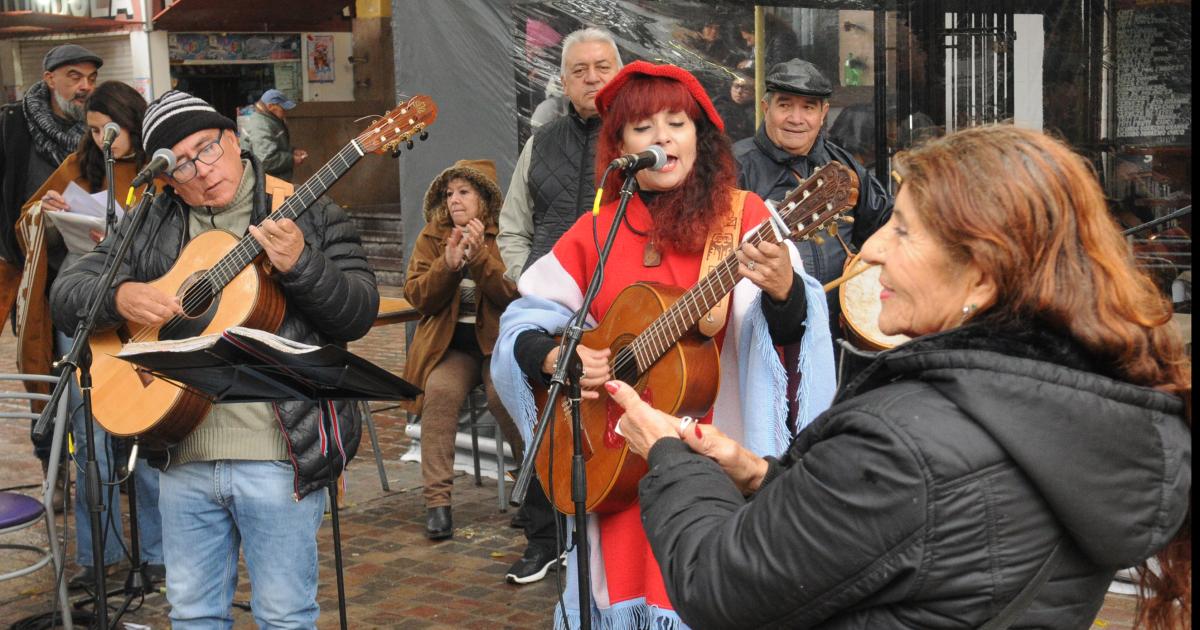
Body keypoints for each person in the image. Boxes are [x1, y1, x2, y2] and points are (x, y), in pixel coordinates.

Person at [608, 125, 1192, 629]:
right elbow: (894, 529)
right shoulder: (1073, 403)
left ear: (982, 276)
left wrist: (669, 456)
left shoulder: (902, 442)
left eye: (905, 229)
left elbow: (717, 586)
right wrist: (761, 474)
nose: (874, 248)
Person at [491, 60, 836, 628]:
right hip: (615, 457)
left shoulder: (745, 218)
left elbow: (800, 340)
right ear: (621, 145)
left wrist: (784, 292)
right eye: (643, 128)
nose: (662, 139)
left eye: (676, 123)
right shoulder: (595, 231)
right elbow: (525, 320)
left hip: (717, 460)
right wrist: (555, 355)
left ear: (700, 135)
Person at [49, 90, 378, 627]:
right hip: (181, 454)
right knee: (194, 615)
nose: (202, 171)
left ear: (233, 138)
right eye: (180, 165)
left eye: (207, 149)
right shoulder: (151, 220)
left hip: (279, 457)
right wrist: (119, 297)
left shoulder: (308, 210)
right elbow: (69, 295)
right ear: (164, 178)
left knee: (284, 616)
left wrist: (301, 265)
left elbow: (357, 313)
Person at [18, 80, 164, 589]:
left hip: (138, 317)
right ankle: (99, 556)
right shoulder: (83, 162)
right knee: (88, 440)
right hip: (81, 312)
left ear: (134, 123)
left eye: (111, 131)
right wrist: (52, 211)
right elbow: (27, 219)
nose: (102, 140)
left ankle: (157, 555)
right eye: (94, 130)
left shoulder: (160, 168)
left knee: (143, 440)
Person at [496, 26, 622, 585]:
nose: (592, 78)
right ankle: (545, 539)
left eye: (602, 66)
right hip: (549, 309)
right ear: (564, 80)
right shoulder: (541, 141)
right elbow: (513, 225)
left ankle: (603, 544)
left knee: (605, 430)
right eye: (580, 70)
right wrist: (531, 285)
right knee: (543, 422)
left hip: (616, 308)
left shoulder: (637, 140)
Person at [734, 57, 892, 357]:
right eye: (785, 105)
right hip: (765, 341)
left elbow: (887, 223)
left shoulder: (843, 166)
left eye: (808, 107)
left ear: (824, 114)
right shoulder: (735, 168)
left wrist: (864, 266)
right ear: (766, 109)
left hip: (838, 338)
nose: (796, 118)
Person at [0, 43, 101, 504]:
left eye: (90, 79)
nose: (83, 87)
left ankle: (102, 466)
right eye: (74, 76)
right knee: (43, 380)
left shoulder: (96, 132)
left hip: (87, 274)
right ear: (49, 78)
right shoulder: (12, 126)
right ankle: (54, 469)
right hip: (35, 274)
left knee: (94, 377)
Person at [403, 159, 522, 540]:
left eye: (463, 192)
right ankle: (437, 503)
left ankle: (533, 490)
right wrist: (448, 265)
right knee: (439, 393)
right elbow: (418, 297)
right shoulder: (433, 236)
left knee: (505, 394)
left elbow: (513, 293)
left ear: (483, 198)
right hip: (451, 348)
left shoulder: (505, 234)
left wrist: (480, 258)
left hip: (496, 347)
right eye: (449, 193)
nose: (454, 200)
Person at [238, 88, 307, 182]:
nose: (285, 112)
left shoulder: (270, 119)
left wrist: (292, 151)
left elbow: (274, 145)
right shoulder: (260, 125)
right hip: (266, 185)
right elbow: (266, 160)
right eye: (283, 109)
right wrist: (291, 159)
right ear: (271, 107)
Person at [711, 73, 755, 142]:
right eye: (736, 86)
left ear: (755, 92)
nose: (739, 92)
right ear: (730, 88)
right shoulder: (719, 105)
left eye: (746, 89)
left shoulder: (758, 112)